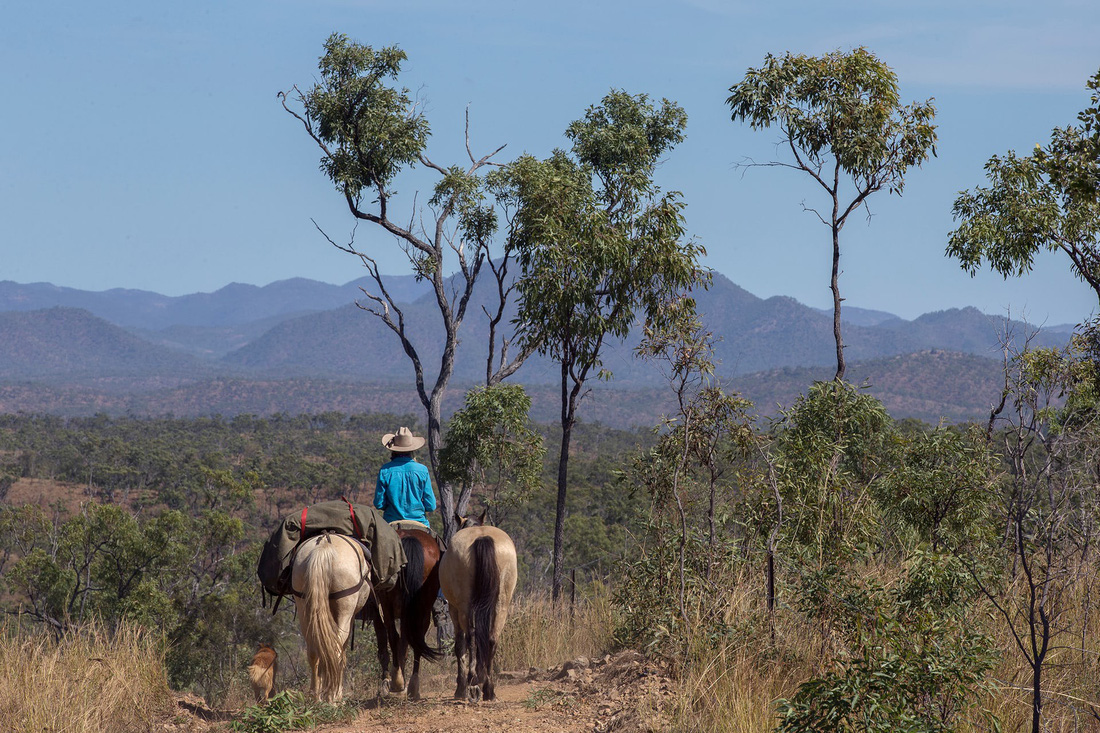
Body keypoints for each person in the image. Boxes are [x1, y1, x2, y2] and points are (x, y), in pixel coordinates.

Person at [374, 427, 437, 527]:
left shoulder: (385, 470)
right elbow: (431, 506)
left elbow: (379, 503)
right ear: (412, 449)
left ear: (393, 450)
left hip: (391, 522)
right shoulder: (422, 470)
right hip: (419, 522)